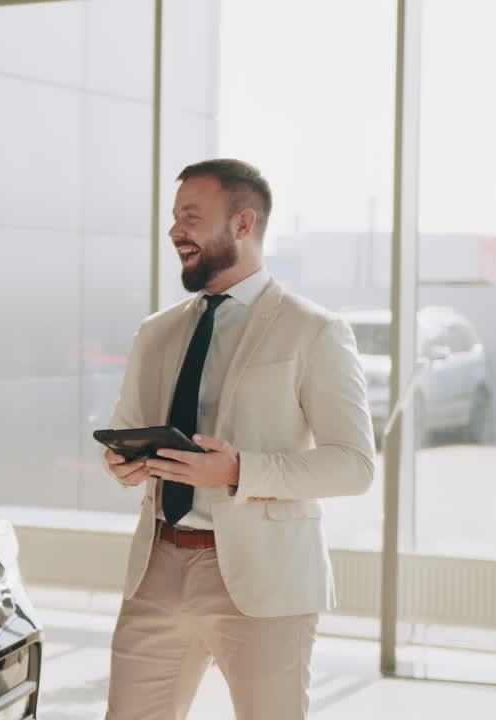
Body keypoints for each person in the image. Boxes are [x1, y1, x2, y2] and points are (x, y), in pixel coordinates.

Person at [101, 159, 375, 719]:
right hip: (157, 567)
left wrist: (236, 471)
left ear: (243, 224)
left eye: (191, 217)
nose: (175, 231)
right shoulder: (156, 331)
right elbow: (127, 429)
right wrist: (121, 463)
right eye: (174, 217)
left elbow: (354, 465)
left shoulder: (314, 330)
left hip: (266, 579)